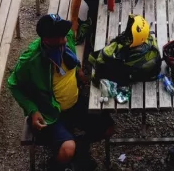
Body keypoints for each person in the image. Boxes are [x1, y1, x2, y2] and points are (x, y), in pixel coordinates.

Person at [8, 14, 112, 171]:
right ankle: (55, 165)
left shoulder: (66, 39)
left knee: (109, 128)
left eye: (63, 34)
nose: (64, 40)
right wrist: (32, 110)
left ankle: (80, 148)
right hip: (51, 113)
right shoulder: (30, 60)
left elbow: (72, 59)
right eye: (58, 37)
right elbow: (13, 84)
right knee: (68, 149)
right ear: (46, 40)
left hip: (74, 103)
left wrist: (78, 71)